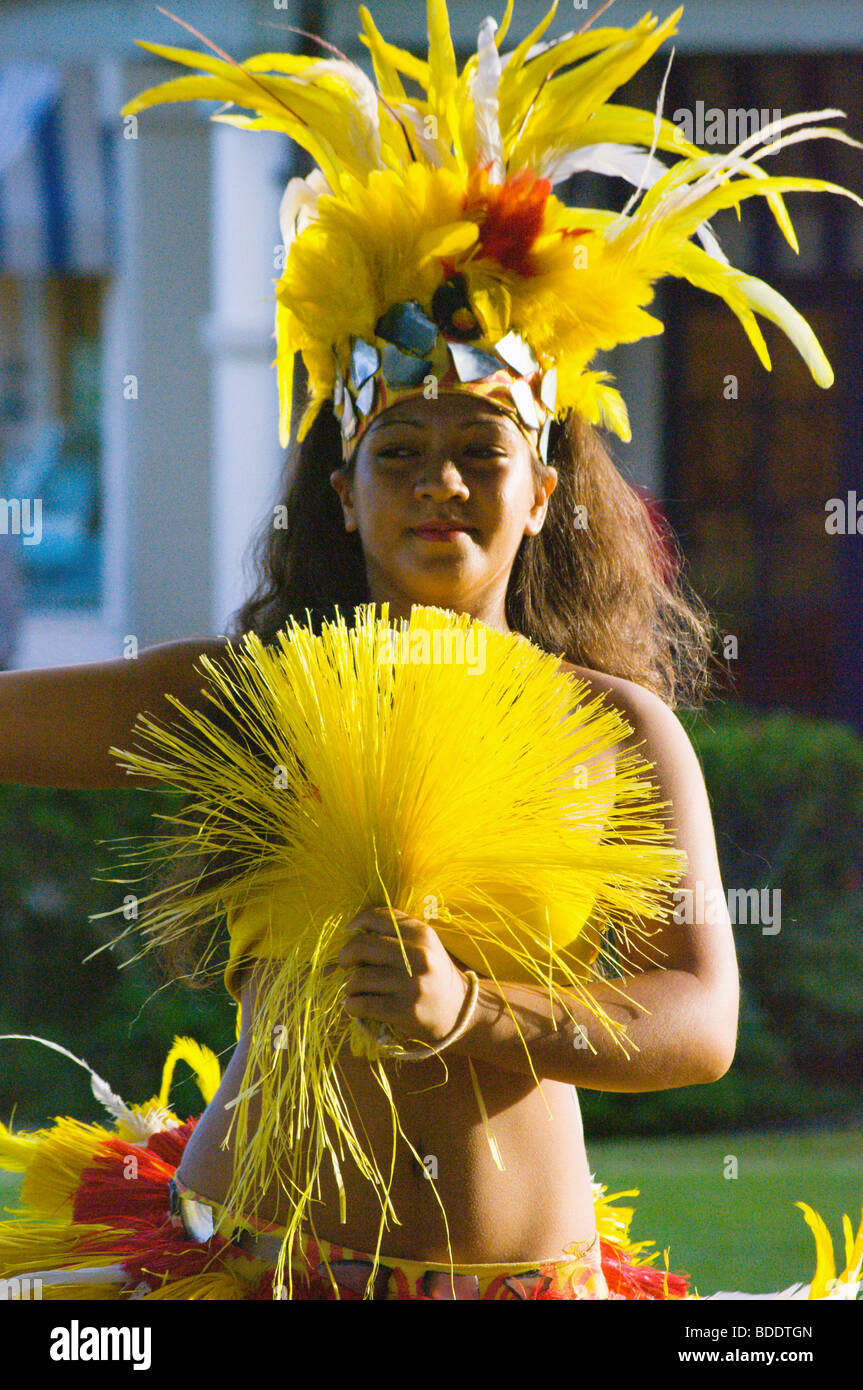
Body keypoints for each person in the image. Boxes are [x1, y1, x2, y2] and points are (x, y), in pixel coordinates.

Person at [1, 0, 860, 1303]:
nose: (439, 482)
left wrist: (475, 1011)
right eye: (397, 451)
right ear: (343, 496)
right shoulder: (251, 699)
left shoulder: (614, 731)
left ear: (546, 490)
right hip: (254, 1265)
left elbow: (699, 1020)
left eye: (480, 451)